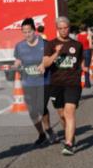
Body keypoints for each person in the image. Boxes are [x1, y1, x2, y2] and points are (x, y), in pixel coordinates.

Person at [41, 17, 84, 156]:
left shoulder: (77, 45)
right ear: (57, 29)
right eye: (61, 28)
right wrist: (57, 53)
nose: (64, 30)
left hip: (73, 83)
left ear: (69, 28)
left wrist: (84, 74)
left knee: (69, 112)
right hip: (56, 84)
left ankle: (69, 144)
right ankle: (70, 135)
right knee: (62, 115)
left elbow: (80, 63)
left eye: (66, 28)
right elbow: (46, 63)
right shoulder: (51, 44)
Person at [13, 18, 55, 146]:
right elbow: (18, 60)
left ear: (34, 31)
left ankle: (48, 129)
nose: (27, 34)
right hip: (28, 82)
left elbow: (51, 59)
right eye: (24, 32)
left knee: (41, 107)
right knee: (32, 110)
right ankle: (41, 134)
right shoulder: (19, 46)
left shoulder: (45, 44)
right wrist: (16, 65)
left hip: (44, 81)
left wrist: (44, 64)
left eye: (29, 31)